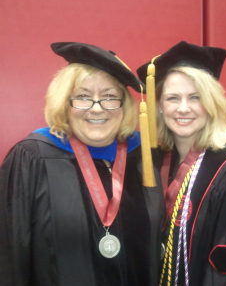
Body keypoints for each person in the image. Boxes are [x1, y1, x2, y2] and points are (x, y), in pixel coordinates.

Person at [0, 42, 164, 286]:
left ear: (124, 105)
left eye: (109, 97)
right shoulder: (32, 157)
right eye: (83, 97)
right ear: (64, 103)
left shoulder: (143, 156)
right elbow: (10, 254)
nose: (96, 109)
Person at [137, 41, 226, 286]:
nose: (183, 108)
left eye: (195, 97)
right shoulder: (155, 165)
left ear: (211, 103)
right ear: (159, 105)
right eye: (172, 98)